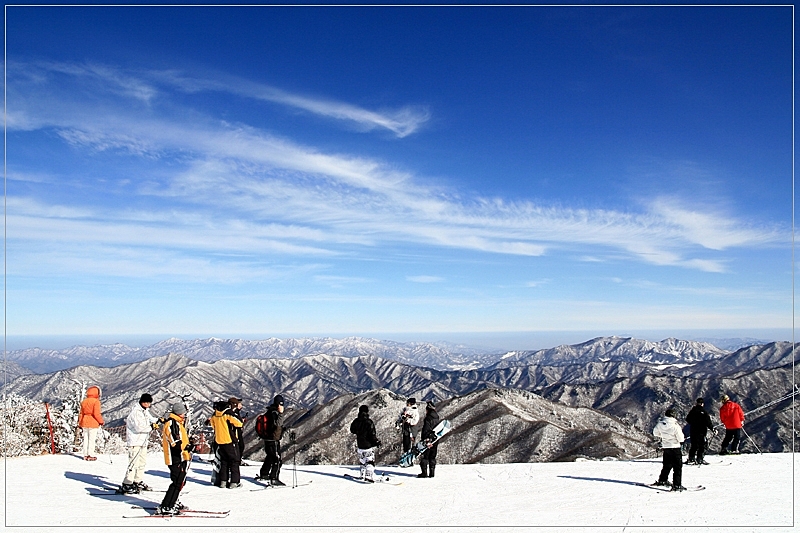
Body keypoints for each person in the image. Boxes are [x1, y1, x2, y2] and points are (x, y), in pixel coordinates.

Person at [116, 393, 159, 494]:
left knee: (141, 463)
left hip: (142, 441)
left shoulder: (144, 411)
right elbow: (139, 427)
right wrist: (152, 427)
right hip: (135, 441)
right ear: (142, 402)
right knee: (133, 463)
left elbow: (151, 419)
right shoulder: (136, 412)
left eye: (149, 402)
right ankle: (127, 483)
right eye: (146, 402)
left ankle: (137, 480)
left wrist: (159, 420)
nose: (148, 404)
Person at [158, 402, 194, 516]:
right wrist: (186, 446)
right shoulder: (172, 424)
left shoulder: (178, 423)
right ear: (179, 413)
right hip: (175, 457)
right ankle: (167, 506)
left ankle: (173, 501)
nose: (184, 415)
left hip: (181, 456)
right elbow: (175, 442)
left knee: (181, 481)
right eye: (183, 413)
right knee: (177, 481)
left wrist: (188, 445)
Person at [209, 400, 243, 488]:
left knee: (224, 462)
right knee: (234, 461)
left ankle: (223, 481)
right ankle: (234, 482)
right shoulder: (227, 413)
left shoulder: (215, 415)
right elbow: (239, 423)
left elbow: (213, 426)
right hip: (230, 441)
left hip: (219, 441)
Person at [652, 408, 686, 491]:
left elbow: (655, 433)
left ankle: (662, 480)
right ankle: (677, 485)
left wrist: (663, 436)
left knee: (667, 465)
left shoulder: (660, 423)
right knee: (677, 467)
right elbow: (681, 438)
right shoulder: (675, 425)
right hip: (675, 447)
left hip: (666, 447)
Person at [257, 395, 287, 486]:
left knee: (270, 456)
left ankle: (264, 473)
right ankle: (274, 478)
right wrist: (281, 414)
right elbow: (278, 424)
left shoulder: (269, 411)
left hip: (267, 438)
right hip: (273, 439)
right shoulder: (275, 413)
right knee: (277, 459)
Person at [349, 405, 382, 483]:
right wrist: (376, 442)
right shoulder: (369, 422)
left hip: (359, 444)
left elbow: (352, 430)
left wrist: (358, 432)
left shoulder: (356, 421)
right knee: (370, 461)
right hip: (368, 445)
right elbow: (372, 434)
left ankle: (362, 474)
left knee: (363, 461)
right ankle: (368, 476)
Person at [685, 397, 715, 465]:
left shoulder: (693, 411)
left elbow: (687, 419)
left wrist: (693, 423)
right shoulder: (704, 412)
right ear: (702, 404)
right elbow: (708, 422)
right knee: (702, 445)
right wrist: (712, 429)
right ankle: (699, 459)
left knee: (694, 445)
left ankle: (691, 458)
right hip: (701, 431)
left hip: (693, 430)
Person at [78, 385, 104, 461]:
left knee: (85, 438)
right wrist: (101, 421)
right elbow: (96, 414)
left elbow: (81, 413)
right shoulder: (96, 402)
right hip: (93, 422)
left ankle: (85, 454)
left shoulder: (84, 401)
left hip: (84, 421)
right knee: (91, 439)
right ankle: (91, 454)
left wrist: (80, 422)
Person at [418, 401, 440, 478]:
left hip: (428, 440)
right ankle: (432, 473)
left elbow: (426, 429)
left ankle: (424, 473)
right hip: (435, 439)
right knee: (432, 457)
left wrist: (425, 439)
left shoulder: (428, 418)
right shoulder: (437, 417)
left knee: (425, 457)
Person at [229, 397, 246, 465]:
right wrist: (241, 421)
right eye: (240, 404)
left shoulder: (235, 412)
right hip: (236, 432)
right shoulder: (234, 412)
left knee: (239, 446)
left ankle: (237, 459)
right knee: (240, 446)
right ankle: (237, 460)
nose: (241, 405)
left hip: (236, 432)